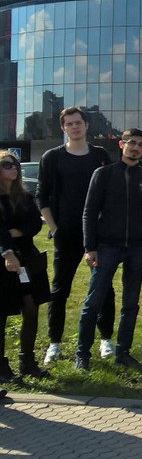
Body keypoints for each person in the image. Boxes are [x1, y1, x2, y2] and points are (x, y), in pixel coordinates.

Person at [75, 129, 142, 370]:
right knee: (94, 302)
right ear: (122, 145)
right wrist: (90, 247)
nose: (135, 148)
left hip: (136, 248)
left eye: (141, 144)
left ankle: (123, 352)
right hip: (106, 247)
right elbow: (89, 212)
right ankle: (82, 355)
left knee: (131, 304)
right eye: (131, 142)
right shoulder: (103, 174)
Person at [36, 106, 114, 365]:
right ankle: (54, 344)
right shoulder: (52, 157)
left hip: (97, 234)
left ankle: (106, 340)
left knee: (104, 288)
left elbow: (110, 193)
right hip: (66, 233)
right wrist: (54, 228)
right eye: (69, 124)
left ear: (86, 125)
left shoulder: (101, 156)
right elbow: (41, 196)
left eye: (78, 122)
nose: (75, 127)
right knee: (60, 290)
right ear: (63, 128)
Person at [0, 151, 49, 380]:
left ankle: (27, 361)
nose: (13, 168)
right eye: (7, 164)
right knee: (2, 313)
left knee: (31, 306)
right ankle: (2, 367)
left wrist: (19, 232)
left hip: (27, 258)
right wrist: (8, 252)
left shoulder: (25, 196)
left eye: (15, 164)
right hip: (4, 260)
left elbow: (35, 223)